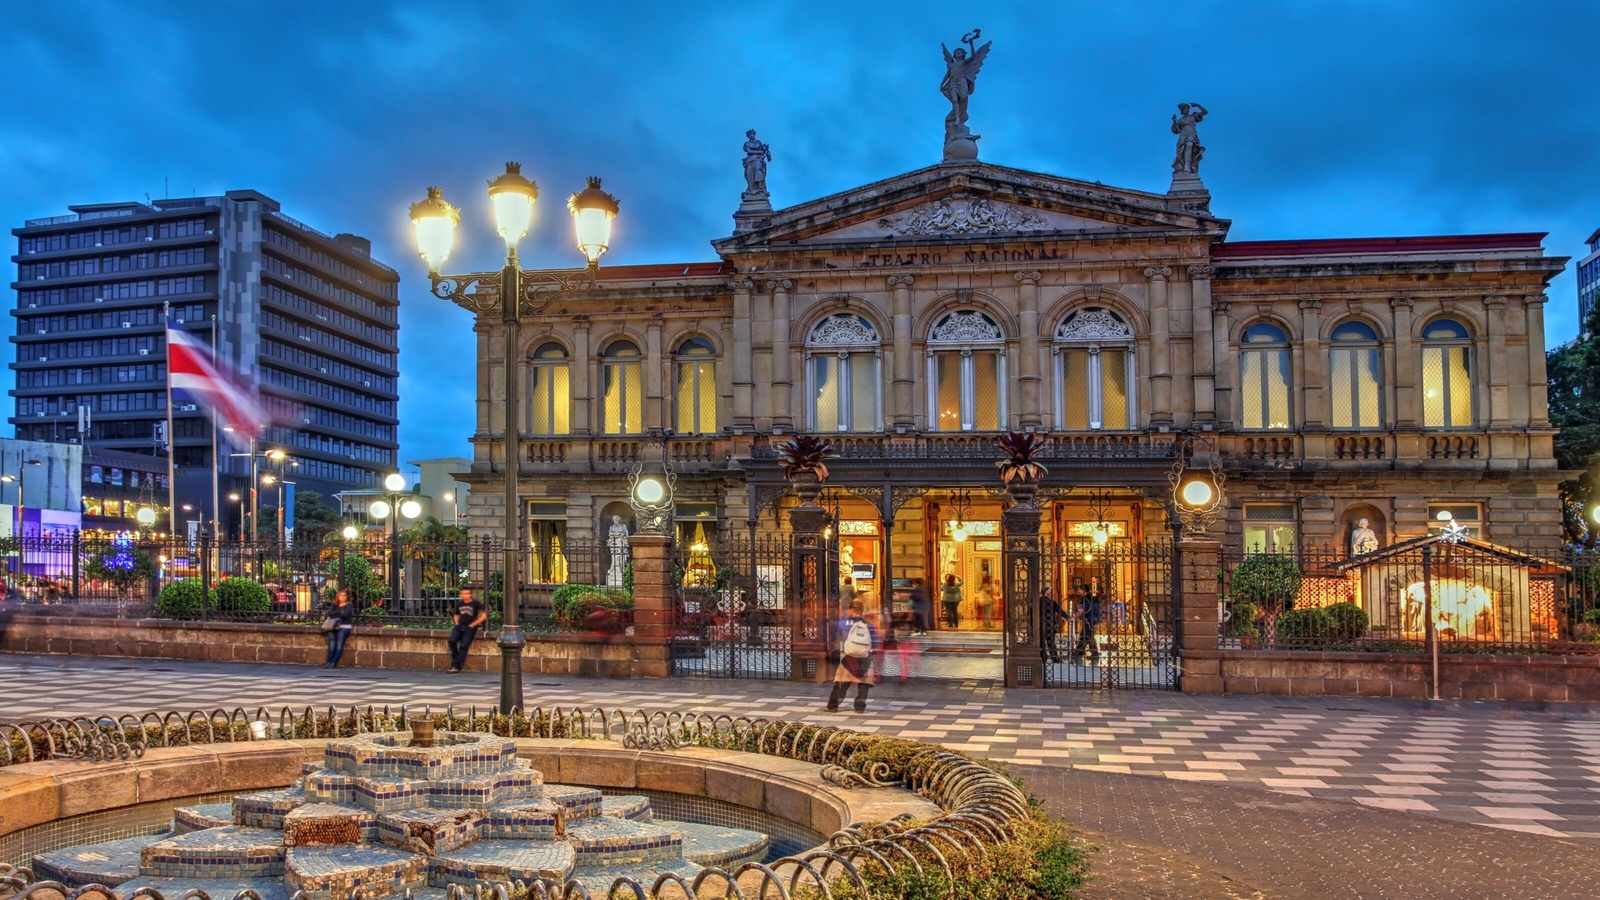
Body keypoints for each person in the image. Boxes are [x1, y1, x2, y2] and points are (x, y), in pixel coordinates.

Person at [825, 599, 879, 713]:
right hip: (865, 657)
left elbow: (837, 638)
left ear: (851, 610)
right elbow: (876, 643)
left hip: (848, 657)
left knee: (841, 683)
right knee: (864, 684)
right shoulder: (868, 625)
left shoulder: (842, 623)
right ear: (861, 611)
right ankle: (860, 707)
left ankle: (833, 706)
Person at [446, 588, 488, 674]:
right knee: (452, 641)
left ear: (470, 594)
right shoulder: (459, 604)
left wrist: (473, 624)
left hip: (470, 627)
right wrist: (457, 623)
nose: (465, 595)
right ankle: (456, 662)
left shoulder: (476, 603)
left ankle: (455, 665)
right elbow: (456, 614)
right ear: (460, 595)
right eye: (463, 594)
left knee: (464, 645)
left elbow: (484, 616)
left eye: (467, 593)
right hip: (460, 625)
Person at [323, 589, 355, 669]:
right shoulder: (334, 605)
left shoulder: (349, 605)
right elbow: (330, 613)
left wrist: (336, 614)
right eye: (341, 595)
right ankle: (328, 662)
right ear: (338, 597)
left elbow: (346, 614)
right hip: (333, 626)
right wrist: (340, 614)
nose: (343, 597)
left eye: (345, 595)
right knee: (332, 645)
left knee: (339, 645)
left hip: (344, 626)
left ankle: (334, 662)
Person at [1071, 584, 1102, 663]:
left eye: (1079, 590)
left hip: (1089, 619)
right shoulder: (1092, 598)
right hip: (1093, 619)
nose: (1078, 591)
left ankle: (1088, 653)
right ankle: (1080, 652)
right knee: (1086, 636)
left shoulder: (1086, 599)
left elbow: (1081, 610)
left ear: (1083, 590)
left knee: (1087, 636)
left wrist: (1073, 617)